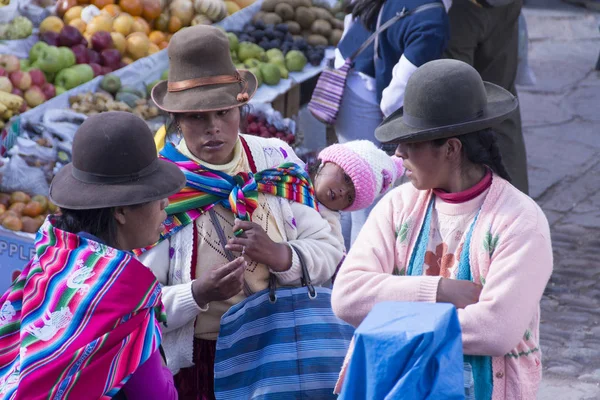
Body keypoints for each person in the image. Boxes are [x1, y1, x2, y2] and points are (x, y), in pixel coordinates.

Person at [136, 25, 345, 399]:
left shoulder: (274, 160)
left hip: (282, 351)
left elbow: (329, 248)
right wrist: (197, 293)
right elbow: (137, 302)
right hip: (202, 367)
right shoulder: (159, 187)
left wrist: (282, 256)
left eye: (224, 112)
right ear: (177, 121)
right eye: (198, 117)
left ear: (241, 108)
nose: (214, 127)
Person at [331, 59, 553, 399]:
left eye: (412, 143)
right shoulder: (398, 206)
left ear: (451, 148)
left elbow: (496, 329)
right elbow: (347, 297)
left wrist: (390, 314)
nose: (399, 152)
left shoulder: (519, 221)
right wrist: (439, 290)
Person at [0, 111, 184, 399]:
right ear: (121, 210)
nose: (165, 205)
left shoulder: (53, 254)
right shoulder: (124, 297)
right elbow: (158, 395)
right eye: (156, 196)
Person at [333, 0, 451, 248]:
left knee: (349, 199)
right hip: (364, 96)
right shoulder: (433, 20)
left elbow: (351, 17)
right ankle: (358, 281)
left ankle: (333, 276)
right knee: (367, 204)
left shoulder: (426, 12)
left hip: (350, 77)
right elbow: (393, 101)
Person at [444, 0, 529, 194]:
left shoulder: (464, 17)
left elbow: (454, 88)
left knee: (461, 93)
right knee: (499, 96)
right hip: (496, 7)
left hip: (470, 10)